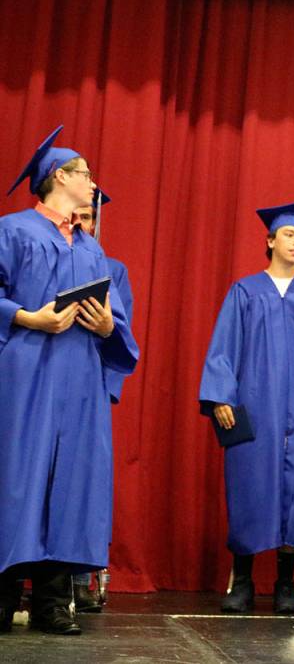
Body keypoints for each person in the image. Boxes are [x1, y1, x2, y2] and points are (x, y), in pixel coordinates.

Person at [0, 126, 138, 635]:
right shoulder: (11, 231)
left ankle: (53, 602)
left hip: (79, 376)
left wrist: (108, 326)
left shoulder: (92, 248)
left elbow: (113, 319)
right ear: (61, 177)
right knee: (18, 477)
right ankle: (4, 592)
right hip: (25, 372)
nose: (92, 183)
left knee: (70, 483)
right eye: (86, 174)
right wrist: (25, 317)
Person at [199, 201, 294, 614]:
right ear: (270, 240)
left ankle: (286, 583)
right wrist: (222, 395)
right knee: (250, 489)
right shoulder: (245, 291)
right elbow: (224, 346)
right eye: (290, 235)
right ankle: (242, 581)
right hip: (253, 406)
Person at [70, 189, 135, 612]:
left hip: (87, 390)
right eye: (73, 216)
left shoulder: (112, 270)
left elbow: (122, 333)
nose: (81, 224)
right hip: (36, 388)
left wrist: (104, 390)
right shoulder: (36, 252)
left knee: (81, 483)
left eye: (87, 218)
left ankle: (76, 577)